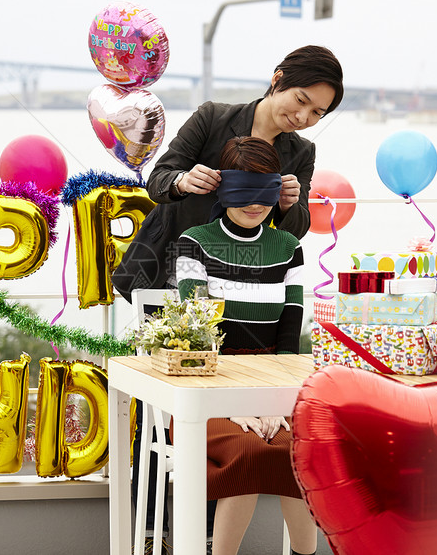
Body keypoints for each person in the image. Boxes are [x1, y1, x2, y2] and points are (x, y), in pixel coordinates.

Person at [112, 44, 343, 302]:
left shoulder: (302, 151)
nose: (302, 117)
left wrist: (288, 206)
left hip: (237, 277)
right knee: (162, 342)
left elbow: (298, 229)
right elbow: (157, 181)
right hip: (168, 265)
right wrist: (183, 181)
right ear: (278, 79)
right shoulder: (211, 118)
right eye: (301, 100)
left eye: (316, 113)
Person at [175, 136, 316, 555]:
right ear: (222, 187)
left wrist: (276, 402)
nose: (255, 204)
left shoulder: (289, 249)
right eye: (244, 191)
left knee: (302, 452)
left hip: (275, 386)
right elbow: (198, 337)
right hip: (210, 389)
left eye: (264, 191)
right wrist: (233, 404)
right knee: (250, 451)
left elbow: (289, 341)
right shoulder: (193, 243)